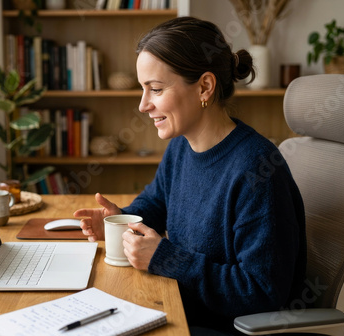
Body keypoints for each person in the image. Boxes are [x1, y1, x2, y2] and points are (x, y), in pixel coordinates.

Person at [74, 16, 306, 336]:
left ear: (205, 86)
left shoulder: (257, 171)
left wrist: (168, 260)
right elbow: (156, 203)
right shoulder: (181, 148)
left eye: (155, 89)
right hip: (180, 309)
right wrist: (121, 221)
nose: (143, 105)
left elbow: (262, 294)